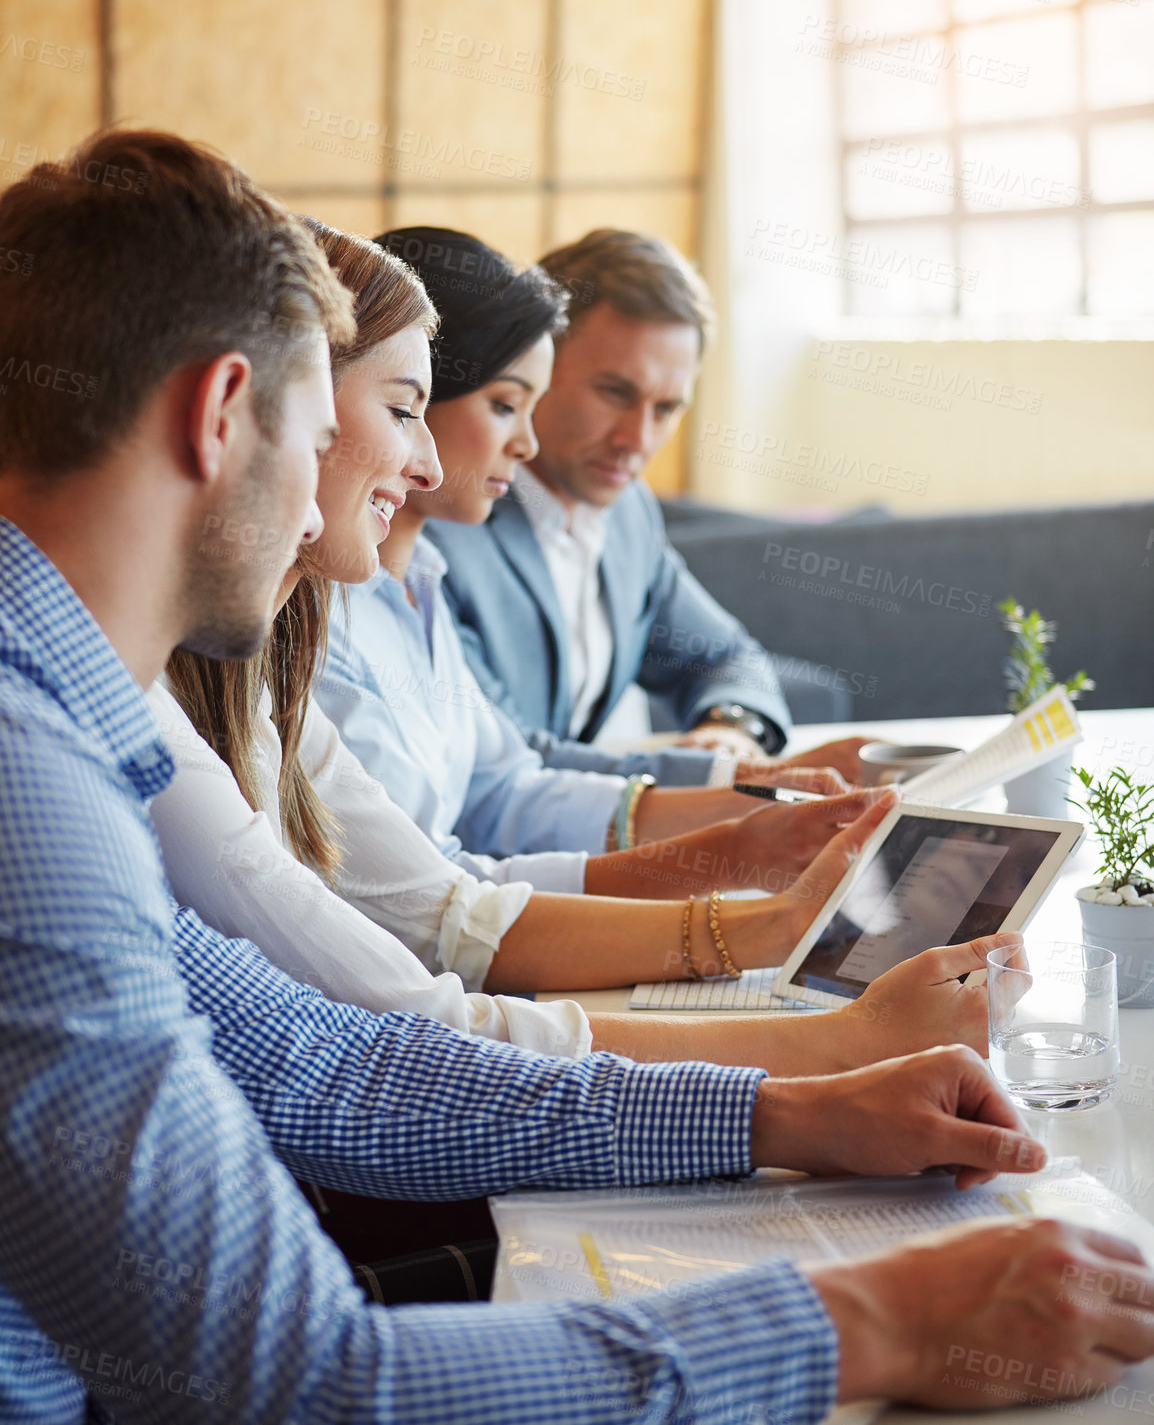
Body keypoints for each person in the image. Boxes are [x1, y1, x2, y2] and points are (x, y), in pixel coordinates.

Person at [3, 129, 1151, 1423]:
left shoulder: (67, 714)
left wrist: (791, 1112)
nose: (384, 476)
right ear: (220, 415)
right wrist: (873, 1323)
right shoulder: (26, 783)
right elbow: (304, 1386)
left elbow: (325, 1067)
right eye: (327, 427)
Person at [155, 219, 995, 1074]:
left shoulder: (317, 643)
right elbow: (424, 988)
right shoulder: (312, 624)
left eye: (667, 408)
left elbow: (461, 884)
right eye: (408, 411)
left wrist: (749, 824)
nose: (429, 467)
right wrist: (805, 1036)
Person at [417, 227, 860, 781]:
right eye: (615, 393)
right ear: (540, 360)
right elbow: (508, 762)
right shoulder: (435, 524)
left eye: (667, 407)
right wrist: (711, 781)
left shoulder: (629, 513)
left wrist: (729, 731)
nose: (638, 440)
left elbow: (726, 656)